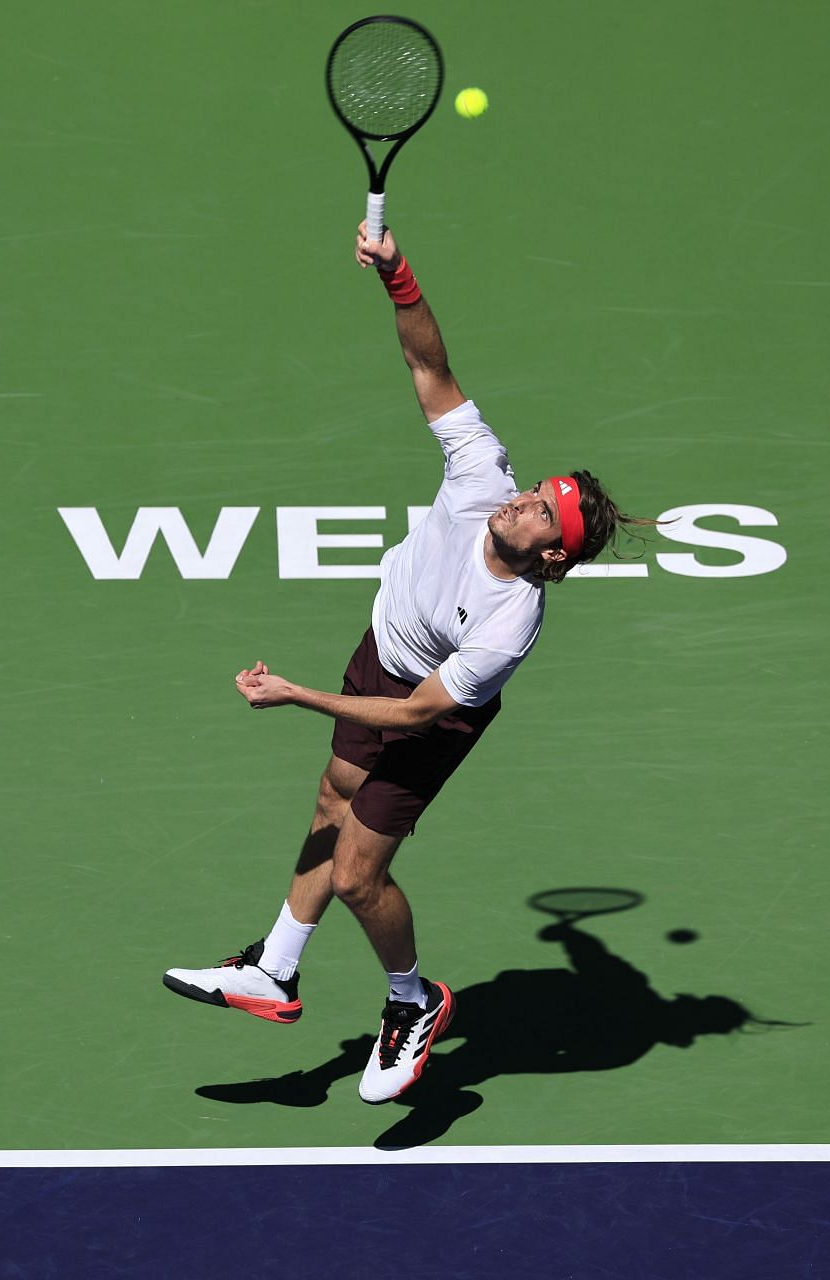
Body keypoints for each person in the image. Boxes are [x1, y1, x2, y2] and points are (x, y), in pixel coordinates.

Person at [163, 223, 657, 1104]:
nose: (520, 499)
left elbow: (418, 717)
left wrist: (296, 694)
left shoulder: (511, 622)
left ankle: (413, 999)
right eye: (535, 489)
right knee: (330, 799)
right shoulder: (480, 479)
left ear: (552, 558)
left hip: (432, 712)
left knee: (358, 873)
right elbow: (431, 370)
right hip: (383, 651)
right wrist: (400, 277)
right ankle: (275, 972)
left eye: (541, 510)